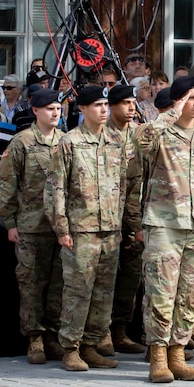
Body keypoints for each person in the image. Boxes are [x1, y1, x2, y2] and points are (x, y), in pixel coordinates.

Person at [134, 75, 194, 383]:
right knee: (161, 294)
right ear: (179, 100)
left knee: (192, 297)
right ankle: (158, 357)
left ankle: (178, 353)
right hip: (164, 224)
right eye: (193, 98)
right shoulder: (160, 132)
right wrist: (172, 111)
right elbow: (141, 142)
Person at [43, 85, 127, 371]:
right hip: (81, 231)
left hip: (109, 230)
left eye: (105, 104)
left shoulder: (115, 141)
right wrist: (62, 229)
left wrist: (119, 223)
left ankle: (91, 345)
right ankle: (70, 348)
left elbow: (123, 187)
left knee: (104, 293)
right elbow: (56, 189)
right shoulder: (70, 142)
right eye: (97, 105)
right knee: (78, 292)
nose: (103, 110)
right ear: (82, 109)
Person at [0, 89, 65, 364]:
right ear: (35, 111)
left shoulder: (67, 141)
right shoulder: (21, 142)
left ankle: (52, 335)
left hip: (60, 228)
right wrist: (10, 222)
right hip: (30, 226)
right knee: (31, 285)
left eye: (58, 108)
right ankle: (34, 338)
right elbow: (7, 184)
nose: (55, 113)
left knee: (58, 285)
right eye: (49, 108)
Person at [105, 85, 146, 355]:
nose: (131, 108)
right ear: (112, 105)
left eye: (133, 103)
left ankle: (120, 331)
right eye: (125, 103)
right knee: (103, 277)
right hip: (104, 218)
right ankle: (100, 333)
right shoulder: (101, 133)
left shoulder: (139, 135)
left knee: (131, 277)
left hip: (133, 218)